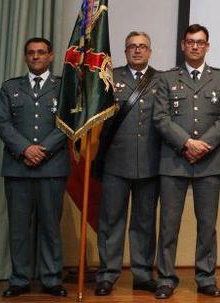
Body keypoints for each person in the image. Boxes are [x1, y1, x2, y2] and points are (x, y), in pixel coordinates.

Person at [152, 24, 220, 299]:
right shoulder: (166, 78)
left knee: (207, 224)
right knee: (168, 224)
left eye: (200, 42)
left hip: (209, 162)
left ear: (207, 46)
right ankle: (165, 278)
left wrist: (203, 145)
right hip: (174, 160)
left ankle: (206, 278)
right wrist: (187, 143)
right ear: (183, 45)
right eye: (190, 42)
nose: (195, 46)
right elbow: (160, 118)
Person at [0, 37, 68, 297]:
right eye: (31, 53)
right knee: (19, 228)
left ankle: (51, 279)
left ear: (51, 56)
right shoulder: (10, 87)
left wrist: (42, 150)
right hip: (18, 167)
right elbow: (2, 123)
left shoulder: (63, 87)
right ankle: (19, 279)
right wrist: (26, 149)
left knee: (50, 226)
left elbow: (67, 124)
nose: (36, 57)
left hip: (52, 168)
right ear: (26, 57)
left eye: (41, 52)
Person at [94, 31, 162, 296]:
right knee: (111, 221)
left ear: (150, 51)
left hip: (150, 162)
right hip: (115, 163)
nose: (137, 51)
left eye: (142, 46)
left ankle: (143, 274)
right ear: (125, 51)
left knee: (144, 222)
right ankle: (108, 274)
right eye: (132, 47)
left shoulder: (161, 80)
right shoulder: (109, 79)